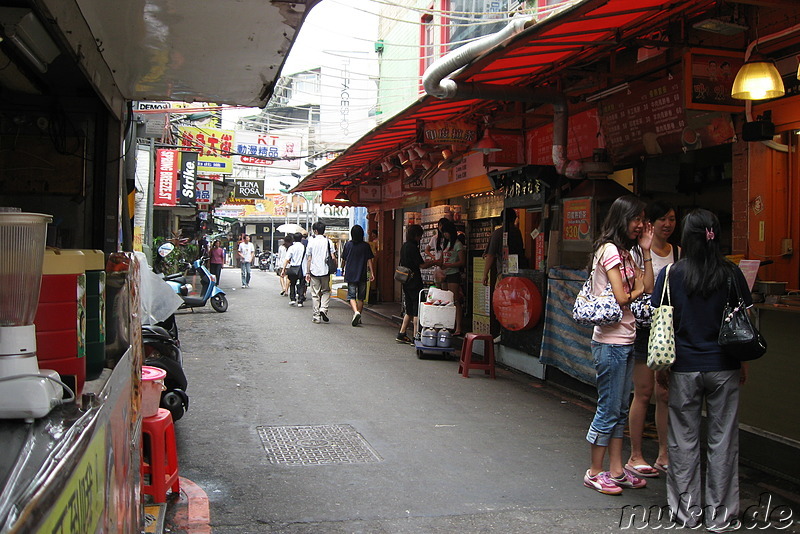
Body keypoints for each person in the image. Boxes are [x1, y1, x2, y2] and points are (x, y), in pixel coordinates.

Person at [654, 209, 749, 531]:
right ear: (715, 235)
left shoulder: (670, 275)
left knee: (683, 441)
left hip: (684, 367)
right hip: (724, 367)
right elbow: (745, 324)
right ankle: (721, 516)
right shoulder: (732, 274)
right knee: (723, 441)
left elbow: (661, 324)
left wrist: (661, 369)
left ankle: (686, 512)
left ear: (686, 237)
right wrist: (742, 364)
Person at [582, 195, 654, 496]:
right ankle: (595, 471)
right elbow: (624, 297)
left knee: (620, 408)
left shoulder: (629, 252)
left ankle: (615, 468)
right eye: (636, 219)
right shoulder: (609, 250)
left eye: (642, 219)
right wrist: (636, 286)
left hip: (625, 338)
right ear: (622, 219)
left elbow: (647, 286)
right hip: (609, 342)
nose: (640, 225)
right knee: (608, 408)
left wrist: (647, 253)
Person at [626, 201, 679, 479]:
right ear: (651, 224)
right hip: (644, 329)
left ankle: (664, 454)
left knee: (665, 394)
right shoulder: (636, 253)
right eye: (662, 219)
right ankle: (635, 454)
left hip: (668, 330)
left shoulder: (678, 253)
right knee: (644, 392)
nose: (668, 225)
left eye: (672, 219)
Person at [396, 224, 440, 343]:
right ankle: (416, 335)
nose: (420, 238)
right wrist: (435, 262)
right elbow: (421, 265)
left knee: (409, 309)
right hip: (414, 281)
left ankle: (402, 333)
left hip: (405, 281)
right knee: (417, 309)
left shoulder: (404, 246)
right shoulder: (412, 247)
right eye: (420, 236)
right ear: (416, 235)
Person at [482, 208, 526, 286]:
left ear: (501, 219)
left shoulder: (497, 233)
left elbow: (490, 255)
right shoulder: (517, 232)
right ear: (514, 219)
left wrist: (485, 274)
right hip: (517, 272)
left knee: (501, 296)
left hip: (503, 273)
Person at [341, 225, 375, 327]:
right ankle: (359, 314)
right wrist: (372, 273)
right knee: (361, 297)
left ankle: (356, 312)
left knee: (351, 296)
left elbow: (344, 259)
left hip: (351, 273)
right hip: (362, 273)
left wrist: (342, 269)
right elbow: (369, 260)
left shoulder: (348, 245)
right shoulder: (366, 246)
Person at [305, 221, 336, 324]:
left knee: (315, 294)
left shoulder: (311, 241)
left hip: (314, 271)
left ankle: (316, 316)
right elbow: (333, 257)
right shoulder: (328, 241)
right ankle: (323, 309)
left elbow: (309, 258)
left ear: (315, 231)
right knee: (326, 291)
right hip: (325, 270)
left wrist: (307, 272)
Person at [440, 220, 466, 336]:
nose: (445, 235)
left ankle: (458, 327)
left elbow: (462, 261)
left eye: (446, 232)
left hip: (453, 274)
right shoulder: (445, 244)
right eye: (443, 233)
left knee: (455, 301)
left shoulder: (457, 244)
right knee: (445, 301)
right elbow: (441, 259)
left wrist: (449, 265)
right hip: (444, 274)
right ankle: (447, 325)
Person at [283, 233, 305, 305]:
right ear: (301, 238)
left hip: (293, 267)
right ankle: (300, 301)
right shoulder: (304, 247)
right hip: (302, 268)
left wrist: (283, 269)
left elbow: (286, 259)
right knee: (301, 284)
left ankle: (293, 299)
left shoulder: (291, 248)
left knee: (292, 283)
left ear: (294, 239)